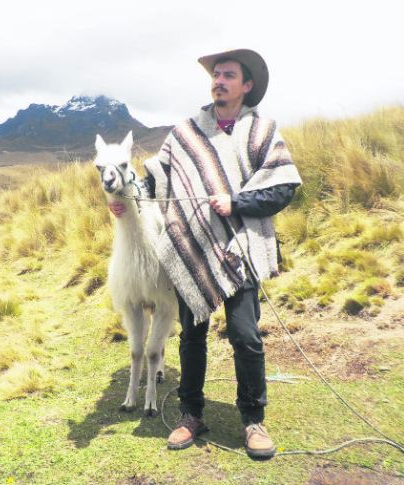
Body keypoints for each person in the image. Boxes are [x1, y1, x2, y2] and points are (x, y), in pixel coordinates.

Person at [108, 48, 302, 459]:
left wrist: (237, 202)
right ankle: (190, 414)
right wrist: (127, 199)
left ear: (246, 85)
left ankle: (253, 419)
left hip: (239, 251)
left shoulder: (262, 132)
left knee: (245, 337)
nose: (219, 80)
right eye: (216, 75)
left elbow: (283, 187)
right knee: (192, 337)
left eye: (228, 75)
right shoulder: (185, 133)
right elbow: (154, 181)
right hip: (191, 248)